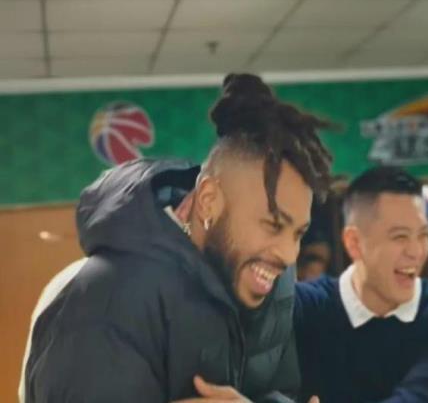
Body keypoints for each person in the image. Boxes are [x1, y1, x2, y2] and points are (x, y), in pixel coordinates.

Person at [23, 73, 335, 403]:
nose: (288, 254)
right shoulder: (105, 300)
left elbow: (277, 390)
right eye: (273, 225)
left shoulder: (274, 283)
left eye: (297, 233)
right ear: (209, 201)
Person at [294, 166, 428, 403]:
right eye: (400, 236)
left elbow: (418, 398)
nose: (416, 251)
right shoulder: (307, 306)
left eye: (423, 235)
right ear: (354, 243)